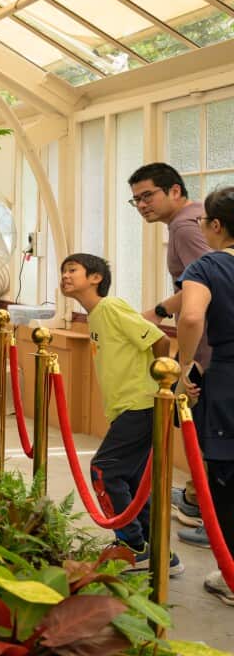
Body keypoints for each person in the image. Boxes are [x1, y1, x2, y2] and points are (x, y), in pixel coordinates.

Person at [59, 253, 181, 575]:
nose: (65, 276)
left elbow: (157, 339)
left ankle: (132, 545)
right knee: (133, 478)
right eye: (63, 272)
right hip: (129, 407)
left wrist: (161, 387)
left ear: (96, 277)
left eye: (72, 270)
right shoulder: (96, 316)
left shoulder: (110, 308)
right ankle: (156, 552)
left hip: (140, 404)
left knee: (105, 469)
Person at [129, 162, 212, 544]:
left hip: (209, 346)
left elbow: (205, 286)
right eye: (136, 200)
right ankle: (197, 500)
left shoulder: (183, 227)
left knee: (205, 428)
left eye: (148, 195)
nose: (142, 204)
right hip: (206, 343)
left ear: (175, 191)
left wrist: (187, 361)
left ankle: (207, 517)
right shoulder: (192, 221)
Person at [175, 186, 234, 605]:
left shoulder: (207, 266)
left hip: (228, 378)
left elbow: (192, 314)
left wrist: (183, 368)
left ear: (216, 225)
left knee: (227, 478)